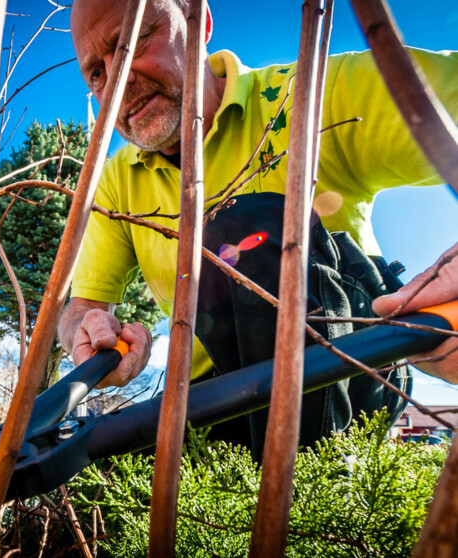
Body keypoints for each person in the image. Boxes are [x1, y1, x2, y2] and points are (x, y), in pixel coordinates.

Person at [58, 0, 458, 451]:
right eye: (96, 74)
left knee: (242, 231)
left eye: (131, 43)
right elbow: (83, 306)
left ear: (198, 22)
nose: (117, 81)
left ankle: (311, 473)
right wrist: (87, 331)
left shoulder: (313, 96)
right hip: (210, 401)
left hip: (349, 370)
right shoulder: (115, 181)